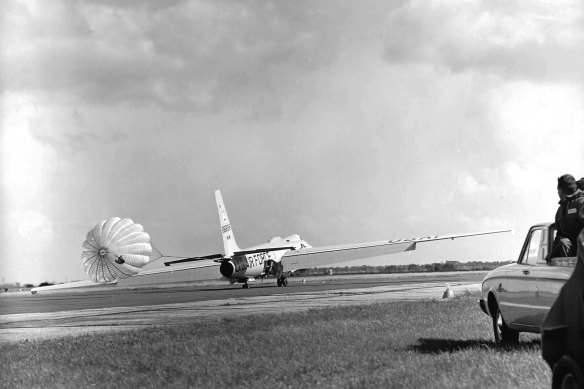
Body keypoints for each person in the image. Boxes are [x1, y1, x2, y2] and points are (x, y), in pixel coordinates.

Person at [546, 174, 584, 262]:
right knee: (563, 241)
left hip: (582, 251)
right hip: (570, 257)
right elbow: (559, 235)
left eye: (558, 189)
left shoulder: (581, 203)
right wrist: (552, 254)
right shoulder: (560, 210)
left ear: (560, 191)